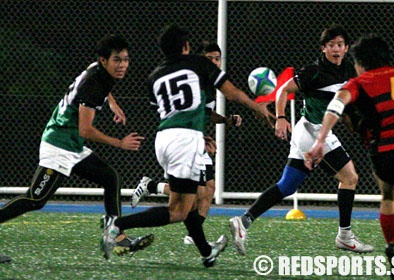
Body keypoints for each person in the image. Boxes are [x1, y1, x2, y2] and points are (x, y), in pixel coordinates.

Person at [101, 24, 275, 267]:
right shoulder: (198, 63)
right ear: (185, 47)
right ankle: (118, 225)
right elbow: (232, 92)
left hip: (164, 139)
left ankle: (206, 252)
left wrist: (195, 133)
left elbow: (170, 112)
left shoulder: (154, 77)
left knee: (191, 202)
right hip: (185, 141)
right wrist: (256, 106)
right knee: (179, 211)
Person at [0, 34, 153, 259]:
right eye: (117, 60)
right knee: (35, 199)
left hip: (71, 145)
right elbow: (85, 130)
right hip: (59, 146)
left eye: (126, 59)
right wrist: (119, 143)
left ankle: (117, 237)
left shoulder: (97, 70)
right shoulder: (94, 85)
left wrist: (113, 105)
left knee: (111, 177)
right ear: (104, 61)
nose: (123, 65)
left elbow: (102, 90)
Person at [229, 24, 374, 256]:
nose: (335, 49)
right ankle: (345, 236)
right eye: (331, 45)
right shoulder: (313, 71)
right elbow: (283, 90)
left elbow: (346, 107)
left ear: (346, 48)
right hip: (311, 131)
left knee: (287, 186)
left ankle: (243, 222)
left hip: (314, 131)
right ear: (323, 48)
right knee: (350, 177)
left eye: (340, 44)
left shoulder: (348, 70)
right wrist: (281, 117)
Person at [305, 34, 394, 279]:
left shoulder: (359, 82)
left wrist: (320, 140)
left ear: (360, 62)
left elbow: (336, 106)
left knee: (389, 198)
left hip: (382, 150)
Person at [130, 41, 242, 246]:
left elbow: (204, 114)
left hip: (193, 140)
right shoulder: (196, 78)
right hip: (184, 142)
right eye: (210, 59)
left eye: (218, 58)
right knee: (196, 195)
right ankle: (148, 195)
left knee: (208, 189)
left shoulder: (207, 81)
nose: (215, 62)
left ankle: (194, 235)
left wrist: (224, 121)